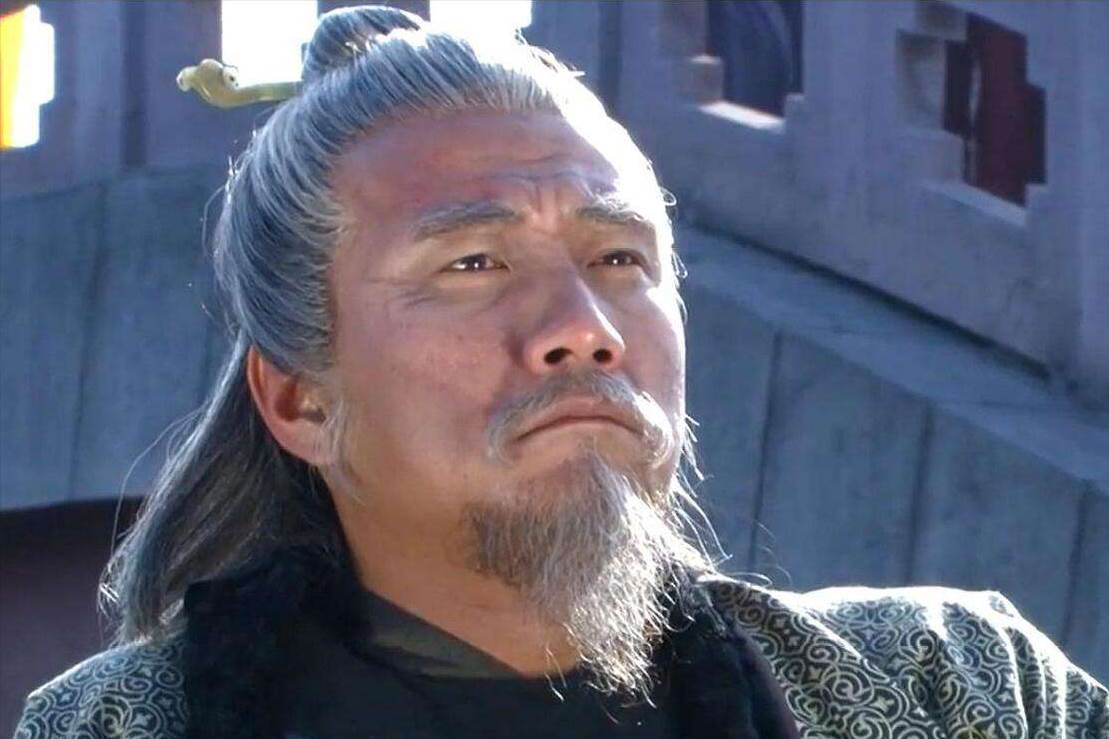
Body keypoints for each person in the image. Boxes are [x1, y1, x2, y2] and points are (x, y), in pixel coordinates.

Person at [15, 6, 1106, 738]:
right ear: (300, 398)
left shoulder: (954, 689)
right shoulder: (125, 726)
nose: (582, 329)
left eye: (619, 258)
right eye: (472, 263)